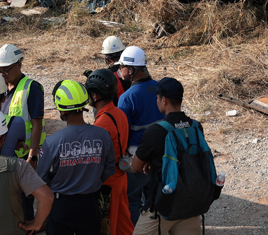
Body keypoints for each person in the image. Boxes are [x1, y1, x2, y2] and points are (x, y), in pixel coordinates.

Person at [130, 77, 215, 235]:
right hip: (191, 205)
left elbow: (135, 166)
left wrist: (151, 161)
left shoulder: (155, 131)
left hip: (163, 207)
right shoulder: (196, 127)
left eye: (157, 98)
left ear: (164, 100)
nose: (156, 101)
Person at [37, 80, 115, 235]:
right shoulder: (102, 135)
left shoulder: (52, 142)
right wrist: (93, 182)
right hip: (90, 204)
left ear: (62, 111)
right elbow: (109, 169)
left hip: (61, 206)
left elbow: (41, 178)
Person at [0, 43, 46, 221]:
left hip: (24, 158)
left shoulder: (31, 88)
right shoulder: (2, 89)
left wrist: (33, 156)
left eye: (6, 70)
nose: (2, 74)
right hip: (8, 156)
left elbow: (37, 124)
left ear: (19, 65)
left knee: (24, 203)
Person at [117, 45, 164, 225]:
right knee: (155, 200)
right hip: (160, 156)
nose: (120, 71)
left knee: (132, 201)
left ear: (131, 70)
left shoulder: (127, 98)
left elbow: (122, 133)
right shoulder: (160, 88)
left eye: (122, 67)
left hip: (136, 159)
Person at [86, 69, 134, 235]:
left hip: (107, 184)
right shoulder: (119, 113)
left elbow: (96, 162)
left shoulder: (102, 124)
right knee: (123, 224)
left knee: (107, 227)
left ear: (95, 95)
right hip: (120, 177)